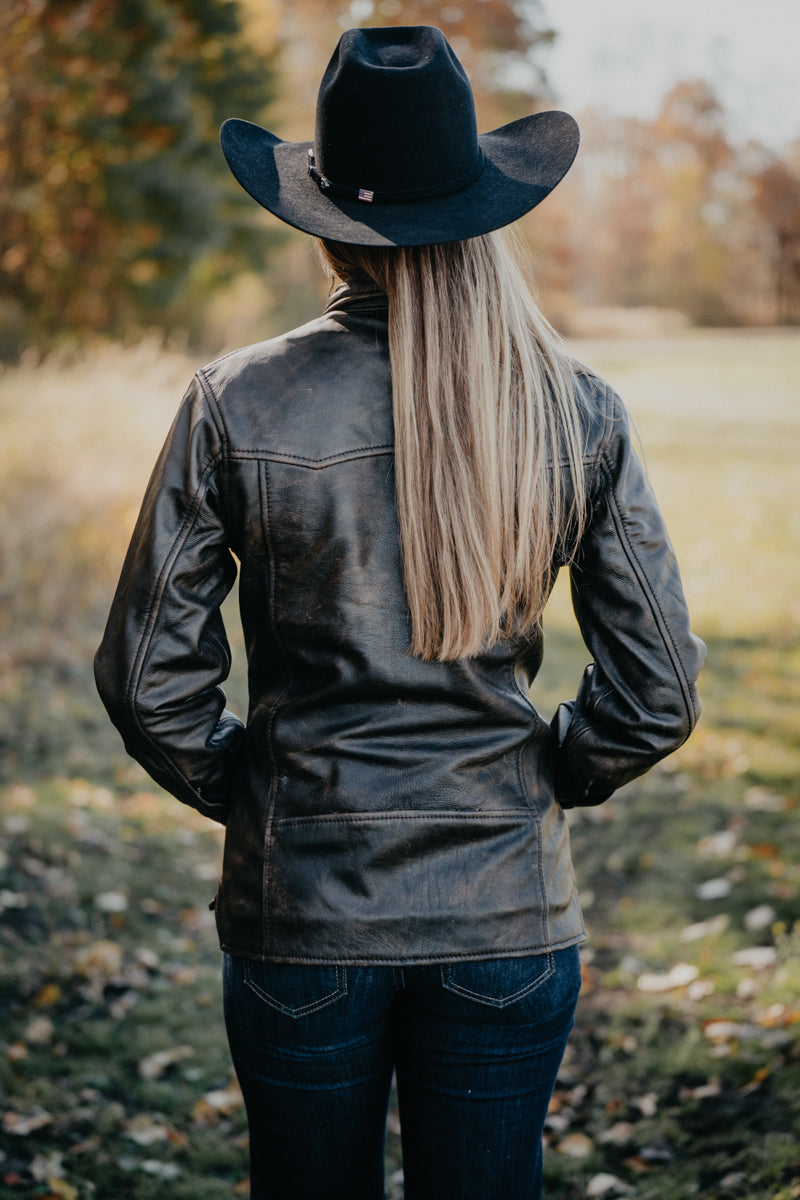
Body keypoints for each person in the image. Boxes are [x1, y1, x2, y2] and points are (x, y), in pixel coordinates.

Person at [94, 25, 705, 1200]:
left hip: (301, 913)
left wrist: (263, 794)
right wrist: (545, 776)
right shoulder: (571, 408)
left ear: (323, 219)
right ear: (479, 206)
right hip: (505, 916)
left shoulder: (234, 400)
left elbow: (146, 681)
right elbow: (659, 692)